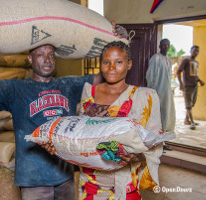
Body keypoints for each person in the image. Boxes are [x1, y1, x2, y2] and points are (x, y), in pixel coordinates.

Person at [0, 13, 128, 200]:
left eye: (50, 55)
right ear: (30, 59)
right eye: (40, 55)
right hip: (33, 180)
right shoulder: (16, 89)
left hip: (65, 175)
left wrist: (121, 44)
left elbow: (107, 76)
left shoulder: (69, 85)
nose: (47, 59)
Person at [44, 41, 163, 199]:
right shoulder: (89, 92)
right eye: (106, 62)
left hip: (125, 185)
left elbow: (155, 140)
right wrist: (58, 146)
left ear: (129, 64)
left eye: (118, 62)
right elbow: (79, 134)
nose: (111, 67)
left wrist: (139, 157)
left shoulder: (145, 97)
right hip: (90, 184)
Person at [146, 38, 176, 150]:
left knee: (165, 117)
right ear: (160, 46)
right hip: (157, 92)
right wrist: (152, 92)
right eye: (163, 45)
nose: (165, 47)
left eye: (167, 45)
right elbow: (150, 76)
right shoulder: (156, 58)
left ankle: (162, 142)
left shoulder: (168, 60)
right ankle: (157, 143)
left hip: (167, 93)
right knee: (157, 118)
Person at [177, 45, 205, 130]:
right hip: (188, 86)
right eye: (194, 51)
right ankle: (192, 122)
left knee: (192, 103)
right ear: (191, 51)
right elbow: (179, 71)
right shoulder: (186, 60)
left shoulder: (196, 62)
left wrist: (199, 80)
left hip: (194, 85)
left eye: (197, 51)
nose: (196, 53)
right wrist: (181, 84)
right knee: (188, 104)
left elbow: (195, 75)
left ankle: (187, 119)